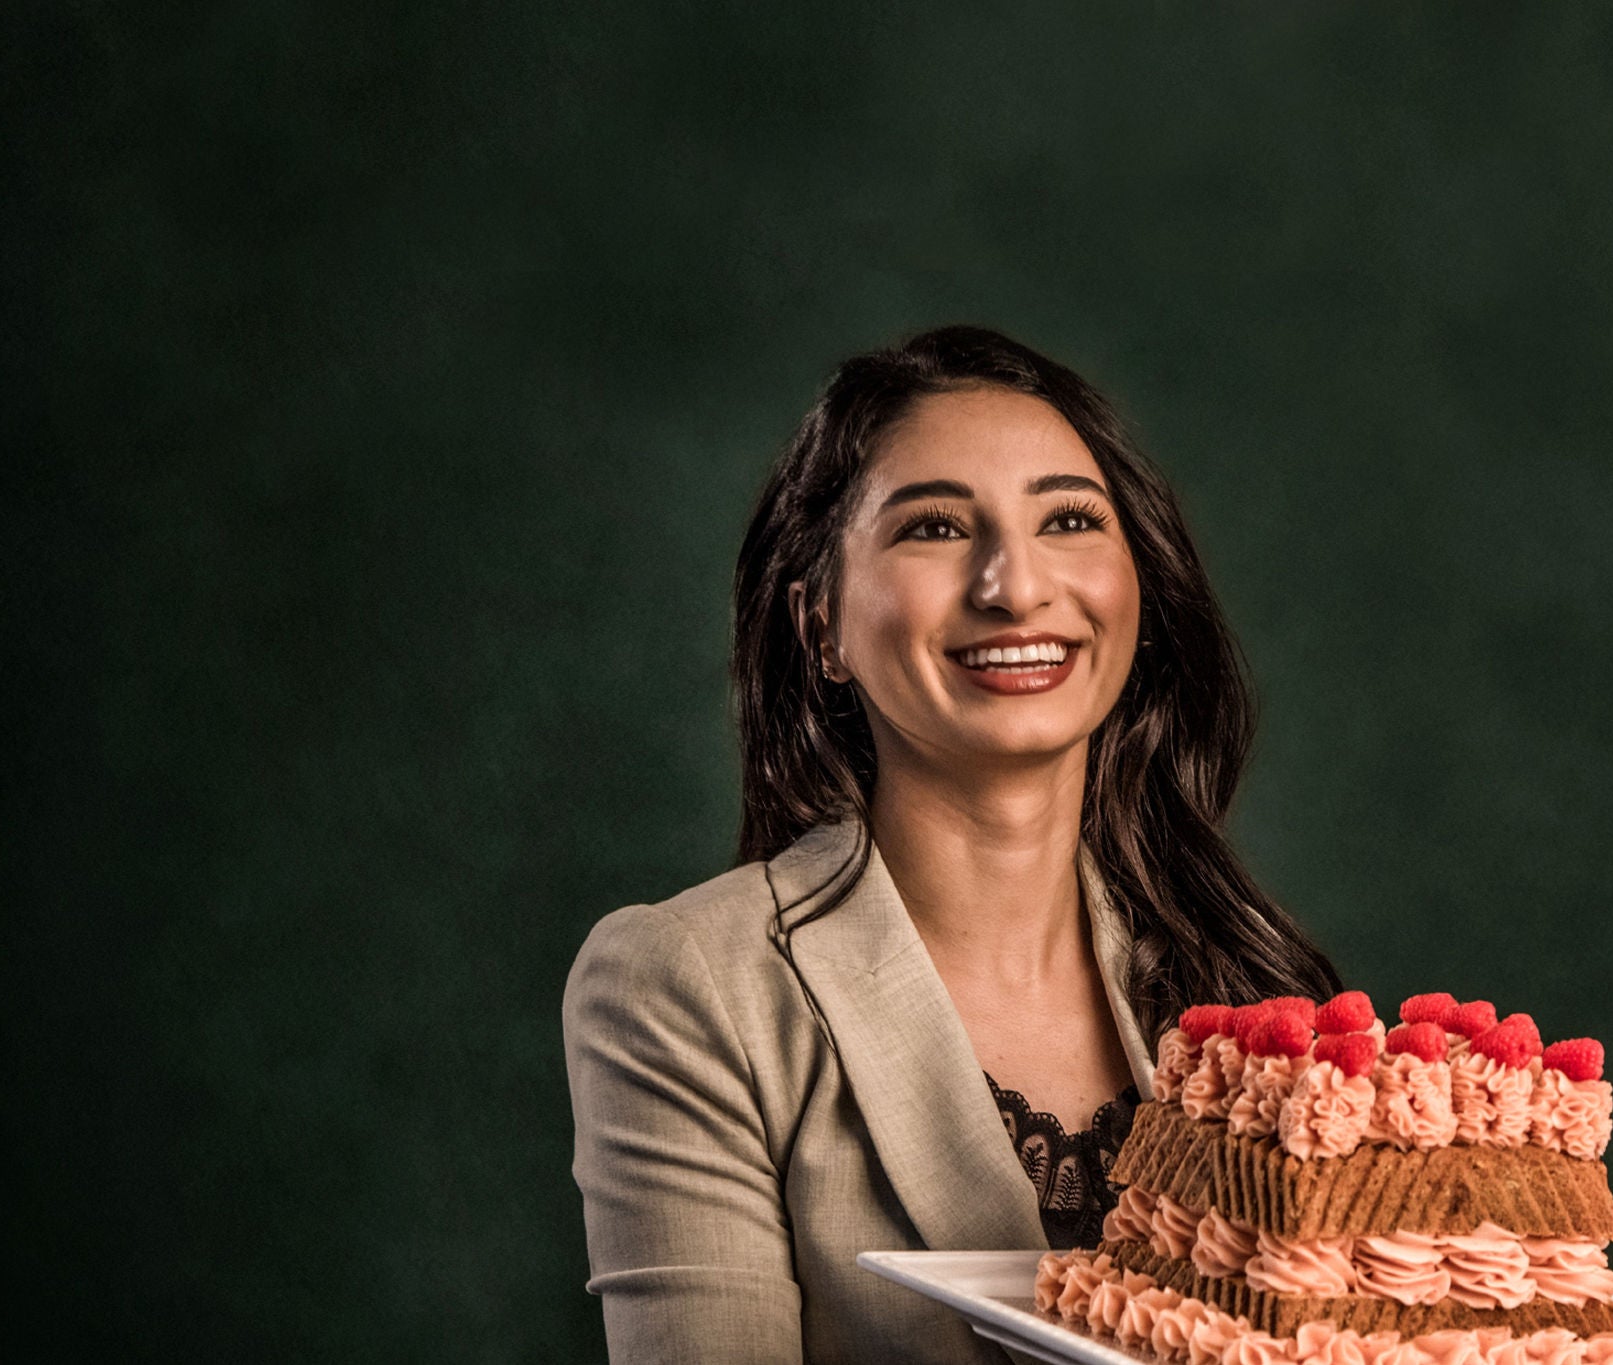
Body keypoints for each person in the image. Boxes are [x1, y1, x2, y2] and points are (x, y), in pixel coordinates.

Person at [561, 324, 1342, 1363]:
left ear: (1138, 599)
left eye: (1067, 519)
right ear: (820, 625)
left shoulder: (1245, 994)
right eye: (932, 528)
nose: (1013, 587)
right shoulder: (691, 985)